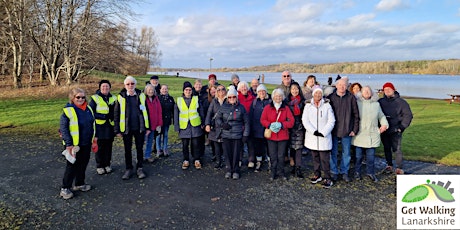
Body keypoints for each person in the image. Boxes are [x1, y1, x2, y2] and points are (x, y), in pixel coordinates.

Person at [59, 88, 96, 199]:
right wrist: (69, 144)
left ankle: (79, 183)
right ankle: (65, 188)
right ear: (73, 98)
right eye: (78, 97)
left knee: (83, 164)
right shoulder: (68, 111)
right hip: (74, 145)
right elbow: (64, 129)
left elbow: (92, 124)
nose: (80, 99)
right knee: (72, 166)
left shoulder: (88, 108)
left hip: (86, 142)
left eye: (83, 97)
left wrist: (94, 139)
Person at [114, 76, 150, 180]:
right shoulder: (120, 97)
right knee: (127, 150)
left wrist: (148, 127)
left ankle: (140, 168)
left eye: (132, 84)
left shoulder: (141, 95)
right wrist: (117, 130)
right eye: (128, 84)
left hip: (139, 128)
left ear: (135, 84)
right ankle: (128, 169)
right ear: (125, 85)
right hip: (126, 129)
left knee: (139, 149)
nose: (130, 86)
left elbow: (146, 112)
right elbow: (116, 114)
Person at [352, 86, 388, 182]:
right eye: (365, 91)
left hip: (372, 134)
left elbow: (381, 116)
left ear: (372, 93)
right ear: (361, 93)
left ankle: (370, 173)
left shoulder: (376, 104)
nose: (367, 92)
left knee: (371, 157)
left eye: (368, 91)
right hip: (359, 133)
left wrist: (384, 125)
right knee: (358, 156)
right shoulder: (357, 103)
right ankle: (357, 172)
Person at [327, 78, 360, 182]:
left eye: (344, 85)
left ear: (347, 86)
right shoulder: (331, 98)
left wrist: (354, 129)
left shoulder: (351, 98)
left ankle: (344, 171)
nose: (342, 87)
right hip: (333, 130)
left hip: (347, 129)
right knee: (333, 152)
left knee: (346, 153)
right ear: (336, 86)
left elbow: (356, 115)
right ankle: (334, 171)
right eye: (340, 85)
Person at [302, 85, 335, 189]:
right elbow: (305, 120)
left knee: (324, 159)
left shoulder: (327, 105)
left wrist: (324, 132)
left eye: (319, 93)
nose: (317, 95)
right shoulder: (308, 105)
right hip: (312, 137)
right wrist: (313, 131)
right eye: (316, 93)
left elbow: (331, 120)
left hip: (323, 137)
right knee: (315, 158)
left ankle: (327, 177)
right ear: (313, 94)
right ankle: (317, 175)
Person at [215, 86, 249, 180]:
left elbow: (246, 122)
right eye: (230, 97)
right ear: (227, 98)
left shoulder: (241, 107)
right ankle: (229, 170)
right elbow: (217, 118)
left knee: (236, 154)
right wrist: (222, 124)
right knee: (227, 153)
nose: (232, 99)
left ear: (236, 98)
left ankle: (236, 170)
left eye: (233, 97)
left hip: (237, 134)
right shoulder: (223, 107)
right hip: (226, 133)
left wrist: (245, 134)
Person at [378, 82, 413, 175]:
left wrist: (401, 127)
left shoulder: (401, 102)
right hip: (384, 129)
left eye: (389, 89)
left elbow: (408, 115)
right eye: (385, 90)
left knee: (396, 149)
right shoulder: (380, 102)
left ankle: (399, 167)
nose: (387, 91)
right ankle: (389, 165)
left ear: (394, 90)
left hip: (396, 129)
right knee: (386, 148)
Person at [260, 88, 294, 181]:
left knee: (281, 155)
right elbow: (262, 120)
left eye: (280, 96)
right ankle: (273, 172)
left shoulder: (286, 108)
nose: (278, 97)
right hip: (272, 136)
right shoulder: (268, 107)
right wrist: (269, 125)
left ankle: (281, 172)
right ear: (273, 97)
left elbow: (291, 121)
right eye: (276, 96)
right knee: (273, 155)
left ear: (282, 97)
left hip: (283, 136)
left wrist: (282, 124)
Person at [174, 81, 205, 170]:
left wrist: (203, 122)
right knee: (185, 145)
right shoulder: (179, 100)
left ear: (192, 90)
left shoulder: (196, 99)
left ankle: (197, 159)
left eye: (190, 90)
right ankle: (186, 160)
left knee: (196, 144)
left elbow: (201, 111)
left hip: (195, 125)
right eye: (186, 90)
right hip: (184, 126)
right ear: (183, 91)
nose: (188, 91)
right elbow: (176, 115)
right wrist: (176, 126)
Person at [89, 80, 116, 175]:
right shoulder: (95, 98)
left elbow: (117, 111)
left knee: (109, 147)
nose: (105, 88)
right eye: (103, 86)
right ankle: (100, 165)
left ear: (110, 88)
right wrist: (103, 116)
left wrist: (112, 115)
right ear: (100, 88)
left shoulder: (113, 98)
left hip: (110, 126)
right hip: (99, 126)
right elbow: (91, 112)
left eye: (107, 86)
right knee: (100, 147)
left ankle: (107, 164)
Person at [248, 84, 272, 172]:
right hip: (257, 128)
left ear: (266, 92)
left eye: (263, 91)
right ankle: (259, 162)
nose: (261, 93)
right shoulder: (254, 102)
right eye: (259, 91)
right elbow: (251, 115)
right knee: (258, 147)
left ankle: (270, 162)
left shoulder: (270, 101)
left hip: (267, 128)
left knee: (269, 146)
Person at [285, 82, 306, 178]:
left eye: (296, 89)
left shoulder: (303, 101)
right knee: (292, 147)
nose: (294, 91)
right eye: (293, 89)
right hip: (290, 126)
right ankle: (292, 166)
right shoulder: (286, 101)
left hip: (300, 126)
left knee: (299, 147)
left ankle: (298, 168)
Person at [205, 84, 227, 169]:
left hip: (225, 126)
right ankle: (218, 161)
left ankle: (227, 161)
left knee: (225, 146)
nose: (221, 91)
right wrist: (207, 124)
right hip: (216, 126)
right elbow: (209, 113)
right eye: (219, 90)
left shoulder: (229, 100)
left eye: (223, 89)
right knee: (217, 145)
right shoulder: (214, 101)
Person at [144, 84, 163, 162]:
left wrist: (159, 124)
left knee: (150, 141)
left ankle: (147, 156)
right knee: (142, 142)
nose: (150, 91)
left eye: (152, 89)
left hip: (153, 125)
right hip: (145, 125)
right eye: (149, 89)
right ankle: (140, 157)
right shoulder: (143, 99)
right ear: (146, 90)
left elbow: (159, 112)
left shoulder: (156, 99)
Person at [156, 84, 175, 157]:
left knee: (165, 135)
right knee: (158, 135)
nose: (164, 90)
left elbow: (173, 109)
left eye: (166, 89)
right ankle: (158, 149)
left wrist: (173, 118)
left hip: (167, 120)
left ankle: (165, 149)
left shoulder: (171, 99)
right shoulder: (157, 98)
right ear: (160, 90)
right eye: (163, 89)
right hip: (159, 121)